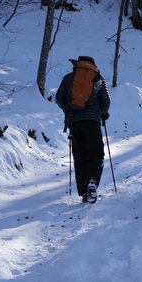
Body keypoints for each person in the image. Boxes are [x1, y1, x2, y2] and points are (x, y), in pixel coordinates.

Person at [56, 56, 110, 203]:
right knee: (96, 153)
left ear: (77, 64)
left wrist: (67, 109)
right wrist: (103, 112)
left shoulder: (69, 78)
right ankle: (92, 181)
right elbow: (105, 99)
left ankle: (85, 192)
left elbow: (58, 98)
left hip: (75, 123)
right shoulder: (97, 78)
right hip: (92, 122)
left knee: (79, 157)